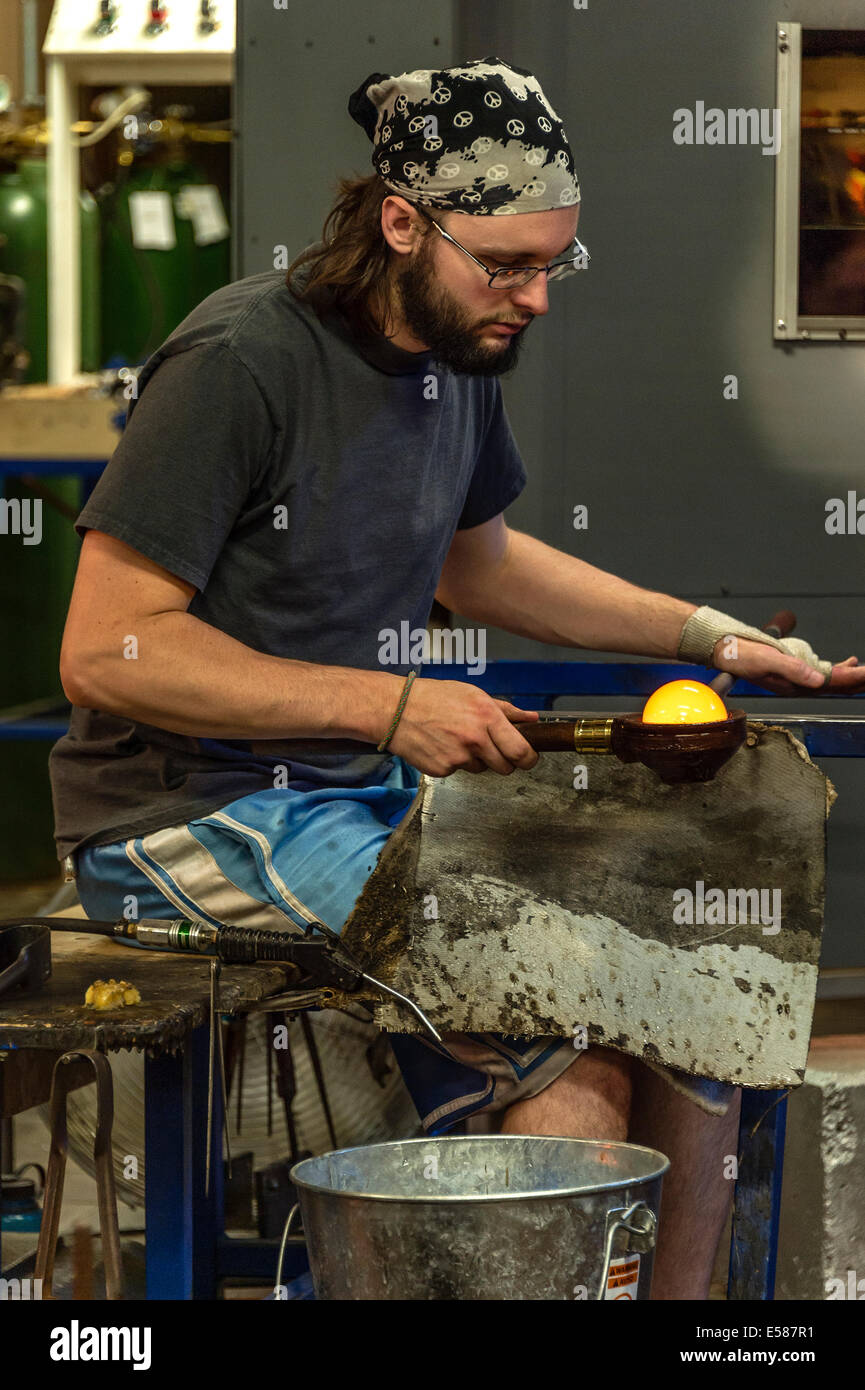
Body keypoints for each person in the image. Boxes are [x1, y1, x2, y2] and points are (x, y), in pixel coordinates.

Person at [49, 57, 865, 1299]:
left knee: (697, 1007)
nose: (534, 299)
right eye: (506, 266)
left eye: (552, 266)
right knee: (561, 1036)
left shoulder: (456, 350)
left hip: (351, 791)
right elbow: (107, 646)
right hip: (189, 813)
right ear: (398, 221)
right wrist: (385, 704)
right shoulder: (236, 361)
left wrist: (710, 635)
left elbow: (481, 565)